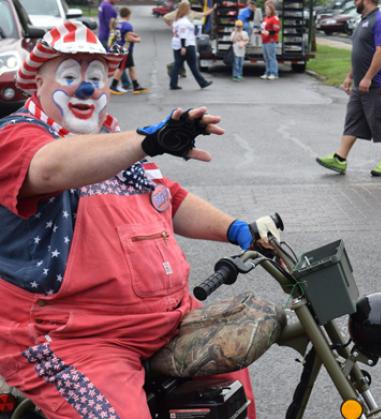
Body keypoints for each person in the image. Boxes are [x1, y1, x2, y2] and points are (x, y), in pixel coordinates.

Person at [0, 21, 286, 419]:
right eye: (68, 77)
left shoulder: (112, 143)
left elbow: (168, 199)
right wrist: (147, 140)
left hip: (168, 321)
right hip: (74, 340)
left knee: (231, 391)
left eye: (95, 78)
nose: (86, 89)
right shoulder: (17, 136)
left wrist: (238, 229)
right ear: (37, 83)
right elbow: (49, 169)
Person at [316, 0, 381, 177]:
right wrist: (350, 77)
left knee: (380, 122)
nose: (354, 2)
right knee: (353, 120)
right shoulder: (363, 20)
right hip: (360, 84)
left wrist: (368, 77)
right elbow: (361, 53)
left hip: (378, 84)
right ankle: (340, 158)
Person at [169, 1, 214, 90]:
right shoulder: (184, 22)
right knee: (192, 65)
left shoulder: (177, 20)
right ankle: (202, 83)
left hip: (177, 45)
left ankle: (173, 84)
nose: (190, 8)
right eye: (189, 7)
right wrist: (183, 47)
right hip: (187, 45)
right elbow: (183, 35)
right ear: (186, 9)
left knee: (177, 64)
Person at [109, 7, 149, 95]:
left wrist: (133, 34)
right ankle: (113, 86)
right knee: (121, 68)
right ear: (128, 15)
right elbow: (129, 38)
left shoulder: (118, 23)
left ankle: (136, 86)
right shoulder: (128, 25)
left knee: (131, 67)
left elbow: (123, 34)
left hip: (118, 46)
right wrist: (138, 39)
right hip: (125, 49)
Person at [260, 2, 281, 80]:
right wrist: (259, 31)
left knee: (271, 57)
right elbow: (263, 28)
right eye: (265, 9)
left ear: (271, 10)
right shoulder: (266, 18)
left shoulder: (275, 18)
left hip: (271, 41)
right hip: (264, 40)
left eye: (268, 9)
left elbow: (277, 29)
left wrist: (269, 32)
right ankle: (267, 72)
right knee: (266, 58)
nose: (266, 10)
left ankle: (274, 73)